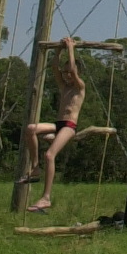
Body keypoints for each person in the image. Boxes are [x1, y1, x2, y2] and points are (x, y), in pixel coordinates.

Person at [21, 37, 86, 213]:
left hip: (69, 126)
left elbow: (72, 69)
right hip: (58, 125)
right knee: (31, 129)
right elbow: (54, 68)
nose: (66, 75)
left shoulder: (80, 87)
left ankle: (46, 198)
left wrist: (70, 49)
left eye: (69, 73)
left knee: (49, 155)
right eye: (65, 73)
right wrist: (58, 50)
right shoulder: (64, 87)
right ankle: (35, 168)